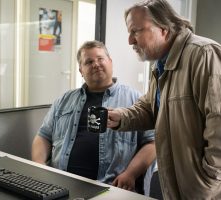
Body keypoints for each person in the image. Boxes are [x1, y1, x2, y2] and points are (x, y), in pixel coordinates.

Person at [107, 0, 221, 199]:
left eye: (136, 31)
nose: (130, 40)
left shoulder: (205, 55)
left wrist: (202, 186)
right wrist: (120, 117)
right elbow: (151, 107)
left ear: (163, 29)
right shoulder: (161, 65)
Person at [31, 40, 156, 195]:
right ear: (81, 70)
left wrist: (130, 173)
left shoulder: (136, 100)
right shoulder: (64, 100)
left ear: (110, 62)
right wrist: (39, 165)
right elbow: (43, 136)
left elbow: (152, 143)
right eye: (89, 62)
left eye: (100, 59)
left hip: (112, 189)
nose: (95, 64)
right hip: (60, 185)